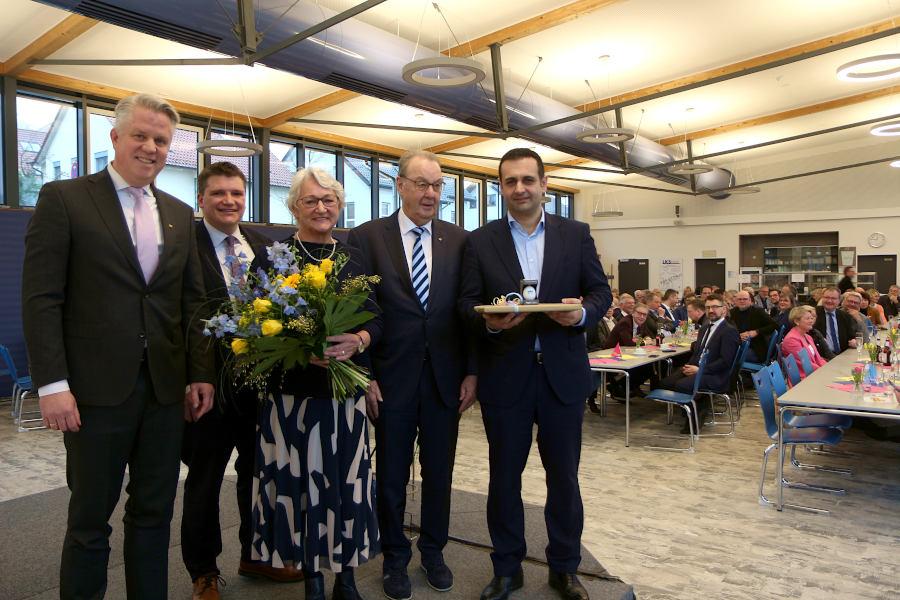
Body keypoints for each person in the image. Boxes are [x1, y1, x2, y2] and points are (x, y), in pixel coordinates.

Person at [21, 93, 215, 599]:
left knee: (153, 515)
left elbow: (191, 303)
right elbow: (42, 298)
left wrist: (200, 374)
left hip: (164, 393)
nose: (151, 147)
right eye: (141, 135)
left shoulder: (178, 212)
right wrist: (52, 384)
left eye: (161, 141)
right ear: (115, 137)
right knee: (89, 520)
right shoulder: (64, 199)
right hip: (92, 393)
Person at [459, 148, 611, 600]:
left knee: (564, 477)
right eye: (510, 181)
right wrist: (488, 321)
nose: (520, 188)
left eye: (528, 180)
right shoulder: (480, 241)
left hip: (562, 376)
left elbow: (600, 293)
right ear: (501, 188)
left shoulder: (576, 234)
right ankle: (507, 568)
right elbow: (466, 305)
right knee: (503, 477)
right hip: (506, 375)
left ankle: (564, 567)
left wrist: (582, 315)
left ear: (544, 184)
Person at [347, 150, 475, 600]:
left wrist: (472, 373)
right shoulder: (366, 238)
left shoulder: (460, 241)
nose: (431, 193)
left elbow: (468, 313)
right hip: (390, 380)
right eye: (421, 184)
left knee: (440, 473)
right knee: (391, 476)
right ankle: (395, 558)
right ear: (399, 185)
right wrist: (363, 376)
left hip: (445, 381)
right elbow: (356, 312)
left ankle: (434, 552)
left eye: (437, 185)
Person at [249, 167, 379, 600]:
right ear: (294, 207)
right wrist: (300, 349)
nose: (321, 208)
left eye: (329, 200)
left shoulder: (354, 257)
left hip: (344, 400)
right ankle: (313, 579)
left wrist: (359, 340)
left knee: (347, 489)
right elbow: (254, 327)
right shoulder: (273, 257)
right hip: (292, 400)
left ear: (339, 206)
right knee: (301, 492)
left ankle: (346, 576)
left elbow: (378, 319)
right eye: (311, 201)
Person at [180, 162, 294, 600]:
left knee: (258, 475)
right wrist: (194, 377)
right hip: (209, 385)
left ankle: (256, 554)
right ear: (201, 199)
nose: (228, 200)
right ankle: (203, 572)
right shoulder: (185, 245)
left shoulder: (262, 245)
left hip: (257, 386)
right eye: (218, 193)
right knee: (205, 480)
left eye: (236, 193)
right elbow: (180, 317)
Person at [657, 294, 740, 433]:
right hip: (700, 367)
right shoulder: (705, 327)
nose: (711, 310)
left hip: (717, 374)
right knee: (667, 382)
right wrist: (689, 366)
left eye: (715, 307)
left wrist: (699, 369)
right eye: (708, 307)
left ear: (724, 310)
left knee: (682, 385)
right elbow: (697, 353)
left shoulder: (728, 331)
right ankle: (692, 408)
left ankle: (695, 419)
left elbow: (726, 361)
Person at [601, 303, 656, 398]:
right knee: (642, 367)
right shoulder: (625, 322)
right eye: (639, 313)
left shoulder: (641, 323)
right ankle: (618, 388)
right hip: (612, 354)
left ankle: (622, 387)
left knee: (649, 368)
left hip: (628, 353)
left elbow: (648, 336)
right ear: (633, 313)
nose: (642, 317)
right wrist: (645, 342)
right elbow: (629, 343)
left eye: (644, 315)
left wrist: (644, 339)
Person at [729, 290, 777, 363]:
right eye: (739, 299)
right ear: (735, 301)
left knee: (730, 356)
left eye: (745, 299)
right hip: (738, 345)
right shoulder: (732, 312)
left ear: (750, 300)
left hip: (756, 349)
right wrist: (737, 336)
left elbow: (774, 325)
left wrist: (756, 332)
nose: (742, 301)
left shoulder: (758, 312)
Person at [781, 306, 828, 379]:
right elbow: (806, 364)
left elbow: (818, 359)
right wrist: (824, 372)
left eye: (812, 318)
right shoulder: (791, 340)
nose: (811, 321)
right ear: (797, 321)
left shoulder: (808, 337)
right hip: (803, 379)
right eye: (807, 318)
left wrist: (828, 367)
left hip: (815, 373)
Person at [813, 287, 858, 354]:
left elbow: (852, 337)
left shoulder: (845, 316)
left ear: (839, 300)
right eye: (826, 297)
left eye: (833, 298)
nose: (829, 301)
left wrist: (854, 341)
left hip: (842, 355)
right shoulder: (813, 314)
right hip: (821, 356)